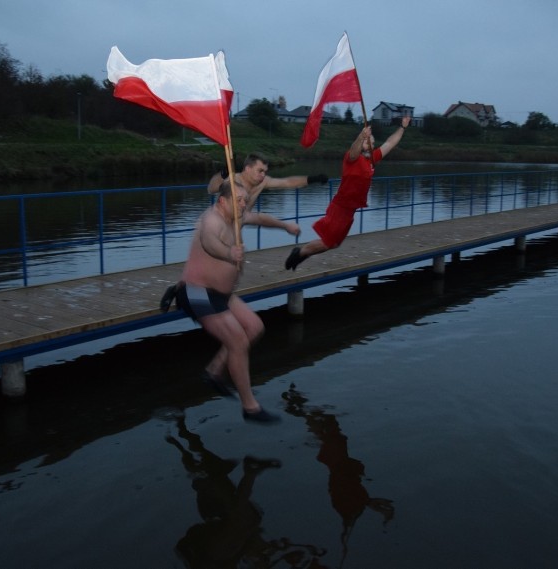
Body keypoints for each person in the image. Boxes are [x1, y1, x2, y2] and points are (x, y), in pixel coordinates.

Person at [164, 181, 300, 424]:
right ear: (221, 201)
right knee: (237, 340)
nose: (243, 203)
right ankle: (250, 408)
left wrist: (285, 225)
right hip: (196, 291)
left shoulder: (237, 217)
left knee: (255, 328)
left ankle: (215, 371)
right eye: (238, 199)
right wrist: (228, 253)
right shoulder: (212, 220)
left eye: (244, 199)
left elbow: (260, 218)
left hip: (221, 294)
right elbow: (209, 241)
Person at [285, 117, 410, 271]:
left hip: (350, 210)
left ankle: (302, 255)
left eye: (371, 141)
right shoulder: (351, 159)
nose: (369, 143)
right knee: (328, 242)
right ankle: (299, 253)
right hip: (340, 207)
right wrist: (361, 136)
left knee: (334, 244)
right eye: (367, 140)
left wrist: (402, 127)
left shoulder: (372, 159)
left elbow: (390, 143)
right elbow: (353, 151)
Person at [207, 152, 328, 208]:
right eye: (260, 171)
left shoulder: (263, 182)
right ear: (248, 169)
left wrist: (313, 179)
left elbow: (287, 182)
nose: (263, 175)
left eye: (265, 171)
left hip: (235, 229)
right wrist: (222, 175)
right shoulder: (234, 179)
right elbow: (211, 189)